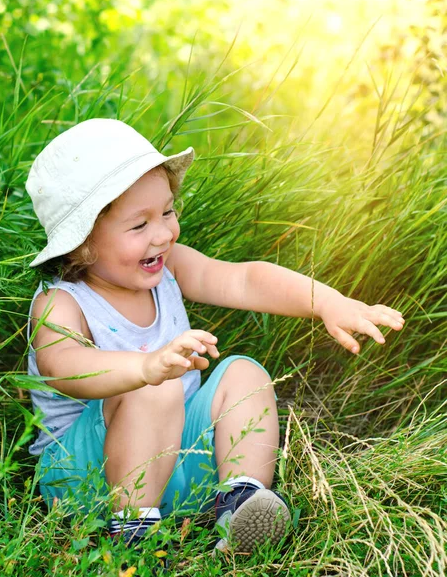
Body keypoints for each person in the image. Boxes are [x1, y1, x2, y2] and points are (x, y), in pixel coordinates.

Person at [25, 118, 405, 554]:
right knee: (155, 387)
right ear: (83, 244)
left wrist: (326, 301)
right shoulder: (62, 302)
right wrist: (146, 367)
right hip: (85, 477)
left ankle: (240, 500)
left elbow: (243, 280)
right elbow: (62, 368)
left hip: (174, 457)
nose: (164, 232)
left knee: (243, 373)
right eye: (139, 225)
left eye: (167, 211)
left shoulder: (169, 266)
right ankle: (131, 532)